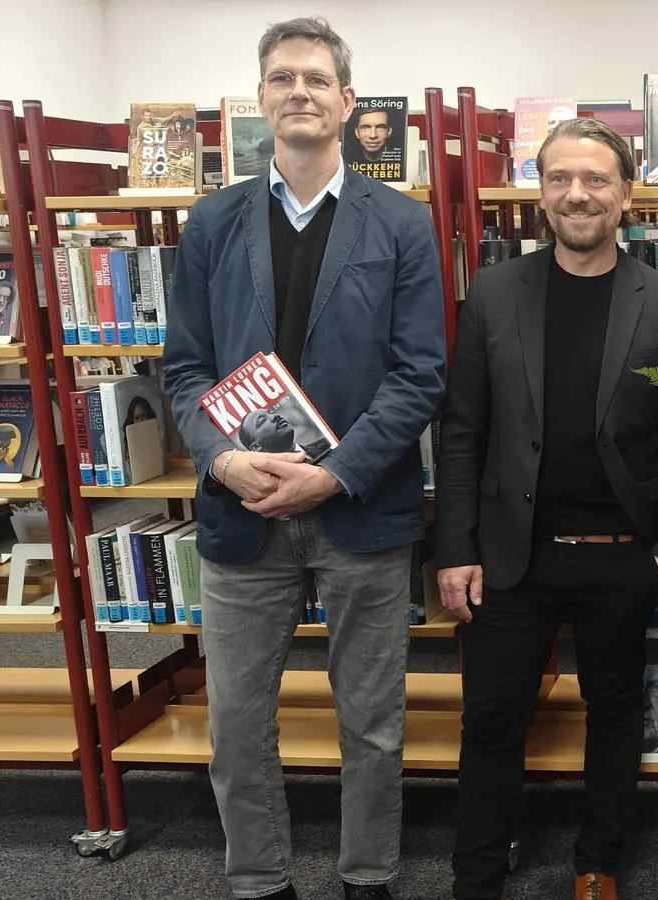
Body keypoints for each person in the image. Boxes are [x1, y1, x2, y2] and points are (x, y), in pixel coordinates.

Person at [161, 16, 446, 900]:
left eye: (317, 80)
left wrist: (334, 471)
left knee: (373, 722)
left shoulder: (402, 223)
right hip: (241, 511)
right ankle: (258, 881)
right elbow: (183, 369)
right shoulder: (210, 222)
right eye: (282, 78)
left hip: (360, 507)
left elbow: (420, 371)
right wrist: (220, 462)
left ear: (348, 102)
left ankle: (369, 876)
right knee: (237, 722)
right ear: (260, 101)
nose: (299, 92)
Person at [436, 115, 658, 900]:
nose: (577, 194)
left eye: (595, 180)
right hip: (512, 554)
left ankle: (599, 862)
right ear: (540, 194)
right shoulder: (493, 292)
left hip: (624, 553)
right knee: (490, 720)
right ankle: (476, 873)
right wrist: (456, 548)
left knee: (615, 714)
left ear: (626, 194)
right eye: (560, 179)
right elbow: (462, 429)